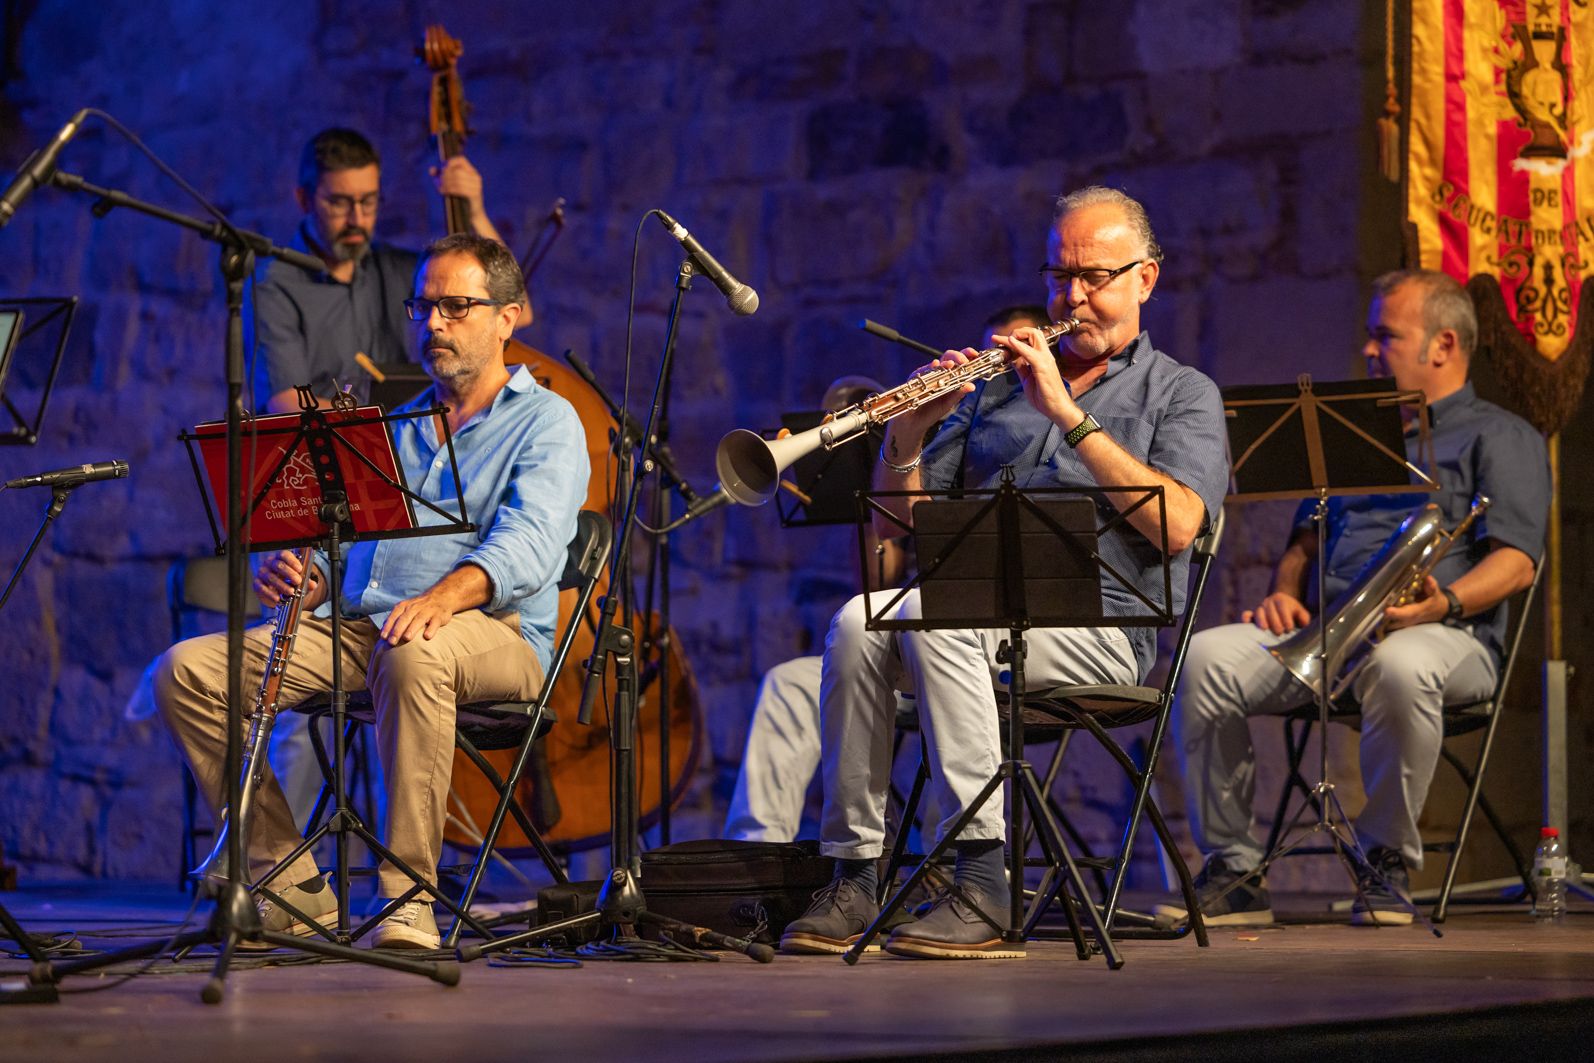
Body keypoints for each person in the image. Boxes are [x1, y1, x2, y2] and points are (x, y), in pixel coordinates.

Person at [779, 188, 1230, 959]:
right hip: (979, 618)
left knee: (939, 617)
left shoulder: (1182, 393)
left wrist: (1070, 417)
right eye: (1060, 276)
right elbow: (898, 523)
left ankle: (981, 875)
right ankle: (855, 871)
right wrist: (912, 430)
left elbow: (1181, 524)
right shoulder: (993, 391)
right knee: (861, 617)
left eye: (1095, 277)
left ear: (1146, 279)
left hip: (1105, 632)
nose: (1073, 296)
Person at [157, 233, 588, 950]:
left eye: (457, 306)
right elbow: (358, 549)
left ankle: (409, 897)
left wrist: (445, 598)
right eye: (423, 306)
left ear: (508, 317)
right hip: (369, 628)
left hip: (497, 633)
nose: (434, 323)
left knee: (413, 650)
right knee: (187, 672)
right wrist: (312, 575)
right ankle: (291, 880)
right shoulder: (396, 425)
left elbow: (532, 545)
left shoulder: (548, 421)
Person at [1165, 269, 1548, 928]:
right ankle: (1234, 864)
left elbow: (1516, 563)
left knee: (1402, 665)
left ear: (1443, 345)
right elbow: (1303, 541)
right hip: (1329, 634)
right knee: (1205, 660)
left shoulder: (1500, 435)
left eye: (1385, 336)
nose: (1370, 351)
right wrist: (1284, 591)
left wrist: (1440, 603)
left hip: (1444, 637)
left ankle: (1384, 859)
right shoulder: (1357, 431)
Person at [724, 306, 1049, 844]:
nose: (1000, 365)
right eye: (996, 352)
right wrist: (891, 448)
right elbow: (884, 571)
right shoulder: (958, 428)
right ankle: (756, 857)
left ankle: (950, 862)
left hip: (1002, 639)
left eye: (1015, 351)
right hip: (924, 626)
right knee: (790, 681)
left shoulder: (1048, 431)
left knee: (933, 636)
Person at [247, 127, 507, 414]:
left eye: (368, 201)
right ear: (304, 199)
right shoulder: (274, 285)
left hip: (398, 444)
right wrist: (391, 426)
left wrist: (475, 213)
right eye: (339, 203)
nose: (356, 219)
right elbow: (285, 404)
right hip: (321, 449)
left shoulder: (395, 266)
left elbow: (511, 310)